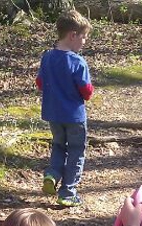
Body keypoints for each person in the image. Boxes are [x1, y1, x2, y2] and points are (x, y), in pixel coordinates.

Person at [36, 9, 94, 207]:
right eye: (83, 37)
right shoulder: (78, 62)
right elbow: (86, 91)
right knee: (76, 151)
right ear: (73, 35)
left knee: (59, 146)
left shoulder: (47, 57)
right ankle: (68, 193)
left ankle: (52, 174)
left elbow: (40, 83)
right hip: (74, 116)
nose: (84, 42)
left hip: (53, 114)